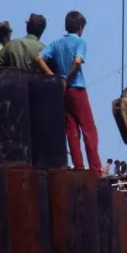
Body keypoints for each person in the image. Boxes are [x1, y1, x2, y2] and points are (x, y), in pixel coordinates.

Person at [36, 11, 104, 176]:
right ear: (80, 27)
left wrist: (54, 77)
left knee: (71, 129)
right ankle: (95, 169)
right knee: (89, 129)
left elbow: (38, 58)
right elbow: (78, 61)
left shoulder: (57, 43)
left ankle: (78, 166)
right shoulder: (80, 42)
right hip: (77, 89)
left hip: (62, 92)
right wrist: (67, 79)